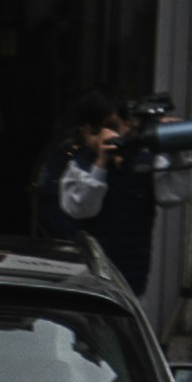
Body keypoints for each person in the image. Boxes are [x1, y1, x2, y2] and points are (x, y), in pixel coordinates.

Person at [30, 88, 167, 297]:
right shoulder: (78, 165)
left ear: (127, 125)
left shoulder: (145, 161)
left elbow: (174, 194)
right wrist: (100, 163)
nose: (106, 136)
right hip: (88, 270)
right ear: (85, 134)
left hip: (133, 270)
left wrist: (173, 151)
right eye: (96, 131)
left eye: (112, 127)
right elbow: (81, 208)